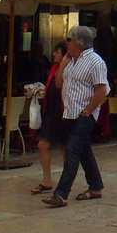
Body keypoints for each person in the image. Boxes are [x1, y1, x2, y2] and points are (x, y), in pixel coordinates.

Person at [43, 26, 110, 207]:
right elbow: (58, 84)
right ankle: (95, 186)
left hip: (85, 113)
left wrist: (88, 110)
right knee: (83, 151)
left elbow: (102, 89)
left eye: (69, 40)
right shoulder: (71, 61)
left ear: (79, 43)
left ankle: (61, 193)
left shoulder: (96, 62)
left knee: (72, 150)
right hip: (70, 113)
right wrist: (63, 64)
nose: (66, 43)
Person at [31, 42, 66, 195]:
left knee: (65, 148)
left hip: (64, 114)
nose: (53, 55)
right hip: (50, 114)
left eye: (57, 52)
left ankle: (66, 182)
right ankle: (46, 180)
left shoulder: (70, 70)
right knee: (42, 145)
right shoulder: (53, 69)